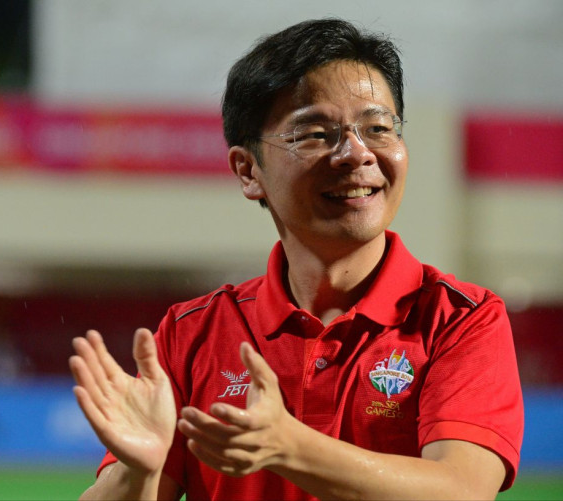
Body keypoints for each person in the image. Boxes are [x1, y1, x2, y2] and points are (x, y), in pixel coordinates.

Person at [69, 18, 524, 501]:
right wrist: (136, 472)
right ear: (248, 170)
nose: (357, 153)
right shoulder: (190, 333)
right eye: (315, 133)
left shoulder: (461, 320)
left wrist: (289, 446)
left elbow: (462, 490)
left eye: (378, 128)